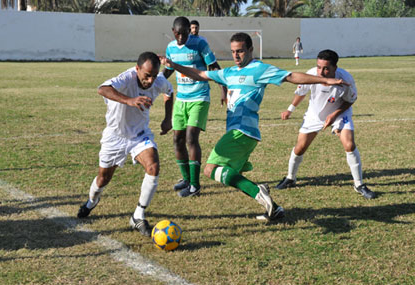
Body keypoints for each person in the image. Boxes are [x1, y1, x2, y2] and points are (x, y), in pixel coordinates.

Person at [160, 33, 348, 220]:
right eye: (233, 51)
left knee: (211, 169)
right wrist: (174, 66)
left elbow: (291, 76)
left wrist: (324, 79)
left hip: (242, 131)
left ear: (250, 50)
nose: (236, 55)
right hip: (244, 134)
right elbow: (200, 74)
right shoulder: (229, 73)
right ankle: (274, 209)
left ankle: (259, 192)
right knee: (231, 175)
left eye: (240, 51)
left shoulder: (259, 69)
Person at [77, 52, 174, 237]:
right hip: (114, 136)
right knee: (103, 179)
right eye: (147, 75)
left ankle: (138, 215)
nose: (150, 80)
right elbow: (102, 89)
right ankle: (91, 202)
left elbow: (169, 92)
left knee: (153, 167)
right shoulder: (127, 77)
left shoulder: (158, 81)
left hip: (139, 135)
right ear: (137, 69)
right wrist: (129, 100)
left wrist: (167, 119)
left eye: (154, 75)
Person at [276, 49, 376, 199]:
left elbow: (351, 100)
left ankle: (359, 184)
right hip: (314, 115)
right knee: (300, 147)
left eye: (326, 68)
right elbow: (301, 92)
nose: (321, 72)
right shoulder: (311, 74)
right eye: (318, 67)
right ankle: (290, 178)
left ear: (335, 68)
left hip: (339, 113)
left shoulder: (346, 79)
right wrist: (290, 110)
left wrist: (334, 114)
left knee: (349, 145)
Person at [163, 16, 226, 198]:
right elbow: (168, 69)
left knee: (191, 138)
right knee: (177, 140)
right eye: (178, 34)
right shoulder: (171, 47)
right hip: (181, 99)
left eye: (184, 34)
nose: (181, 37)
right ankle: (186, 179)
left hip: (199, 97)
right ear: (173, 32)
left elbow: (213, 66)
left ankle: (195, 186)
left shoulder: (200, 43)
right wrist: (155, 83)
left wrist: (223, 88)